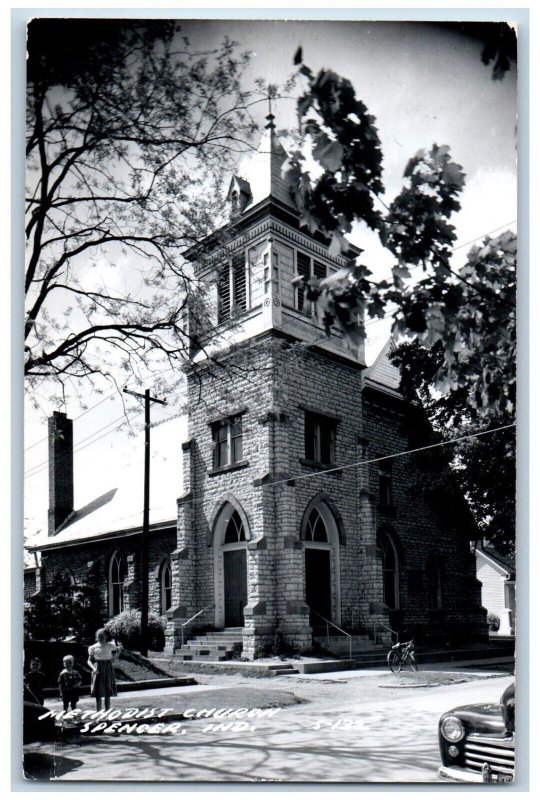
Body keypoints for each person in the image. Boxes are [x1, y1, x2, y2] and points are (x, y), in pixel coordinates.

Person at [87, 628, 120, 711]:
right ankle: (99, 714)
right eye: (99, 636)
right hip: (97, 669)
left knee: (107, 693)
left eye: (102, 636)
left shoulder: (110, 645)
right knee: (98, 694)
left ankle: (108, 713)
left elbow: (117, 651)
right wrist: (94, 668)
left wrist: (115, 657)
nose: (101, 638)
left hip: (108, 668)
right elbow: (89, 661)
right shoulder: (93, 647)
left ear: (106, 636)